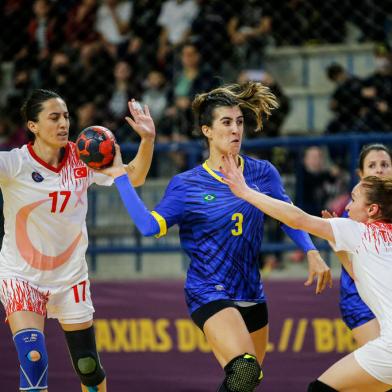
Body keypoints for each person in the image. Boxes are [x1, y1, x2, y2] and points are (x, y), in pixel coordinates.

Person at [101, 82, 332, 391]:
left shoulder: (262, 173)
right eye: (226, 122)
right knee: (246, 370)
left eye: (239, 122)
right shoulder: (187, 185)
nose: (236, 129)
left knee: (245, 383)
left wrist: (311, 251)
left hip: (251, 290)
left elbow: (287, 216)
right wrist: (120, 177)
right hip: (208, 290)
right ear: (207, 131)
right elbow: (148, 226)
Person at [0, 89, 155, 392]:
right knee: (33, 358)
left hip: (69, 278)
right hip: (21, 276)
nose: (63, 124)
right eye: (54, 117)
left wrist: (147, 140)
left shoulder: (83, 157)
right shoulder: (15, 164)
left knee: (88, 368)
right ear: (32, 126)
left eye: (66, 117)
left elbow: (134, 177)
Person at [221, 153, 392, 391]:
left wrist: (245, 192)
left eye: (353, 200)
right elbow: (361, 274)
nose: (348, 206)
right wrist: (337, 243)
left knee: (319, 389)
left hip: (389, 348)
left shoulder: (358, 230)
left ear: (372, 210)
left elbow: (297, 219)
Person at [324, 143, 392, 348]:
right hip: (361, 300)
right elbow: (354, 270)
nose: (379, 169)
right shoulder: (354, 213)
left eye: (385, 164)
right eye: (372, 165)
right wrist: (334, 242)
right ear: (361, 174)